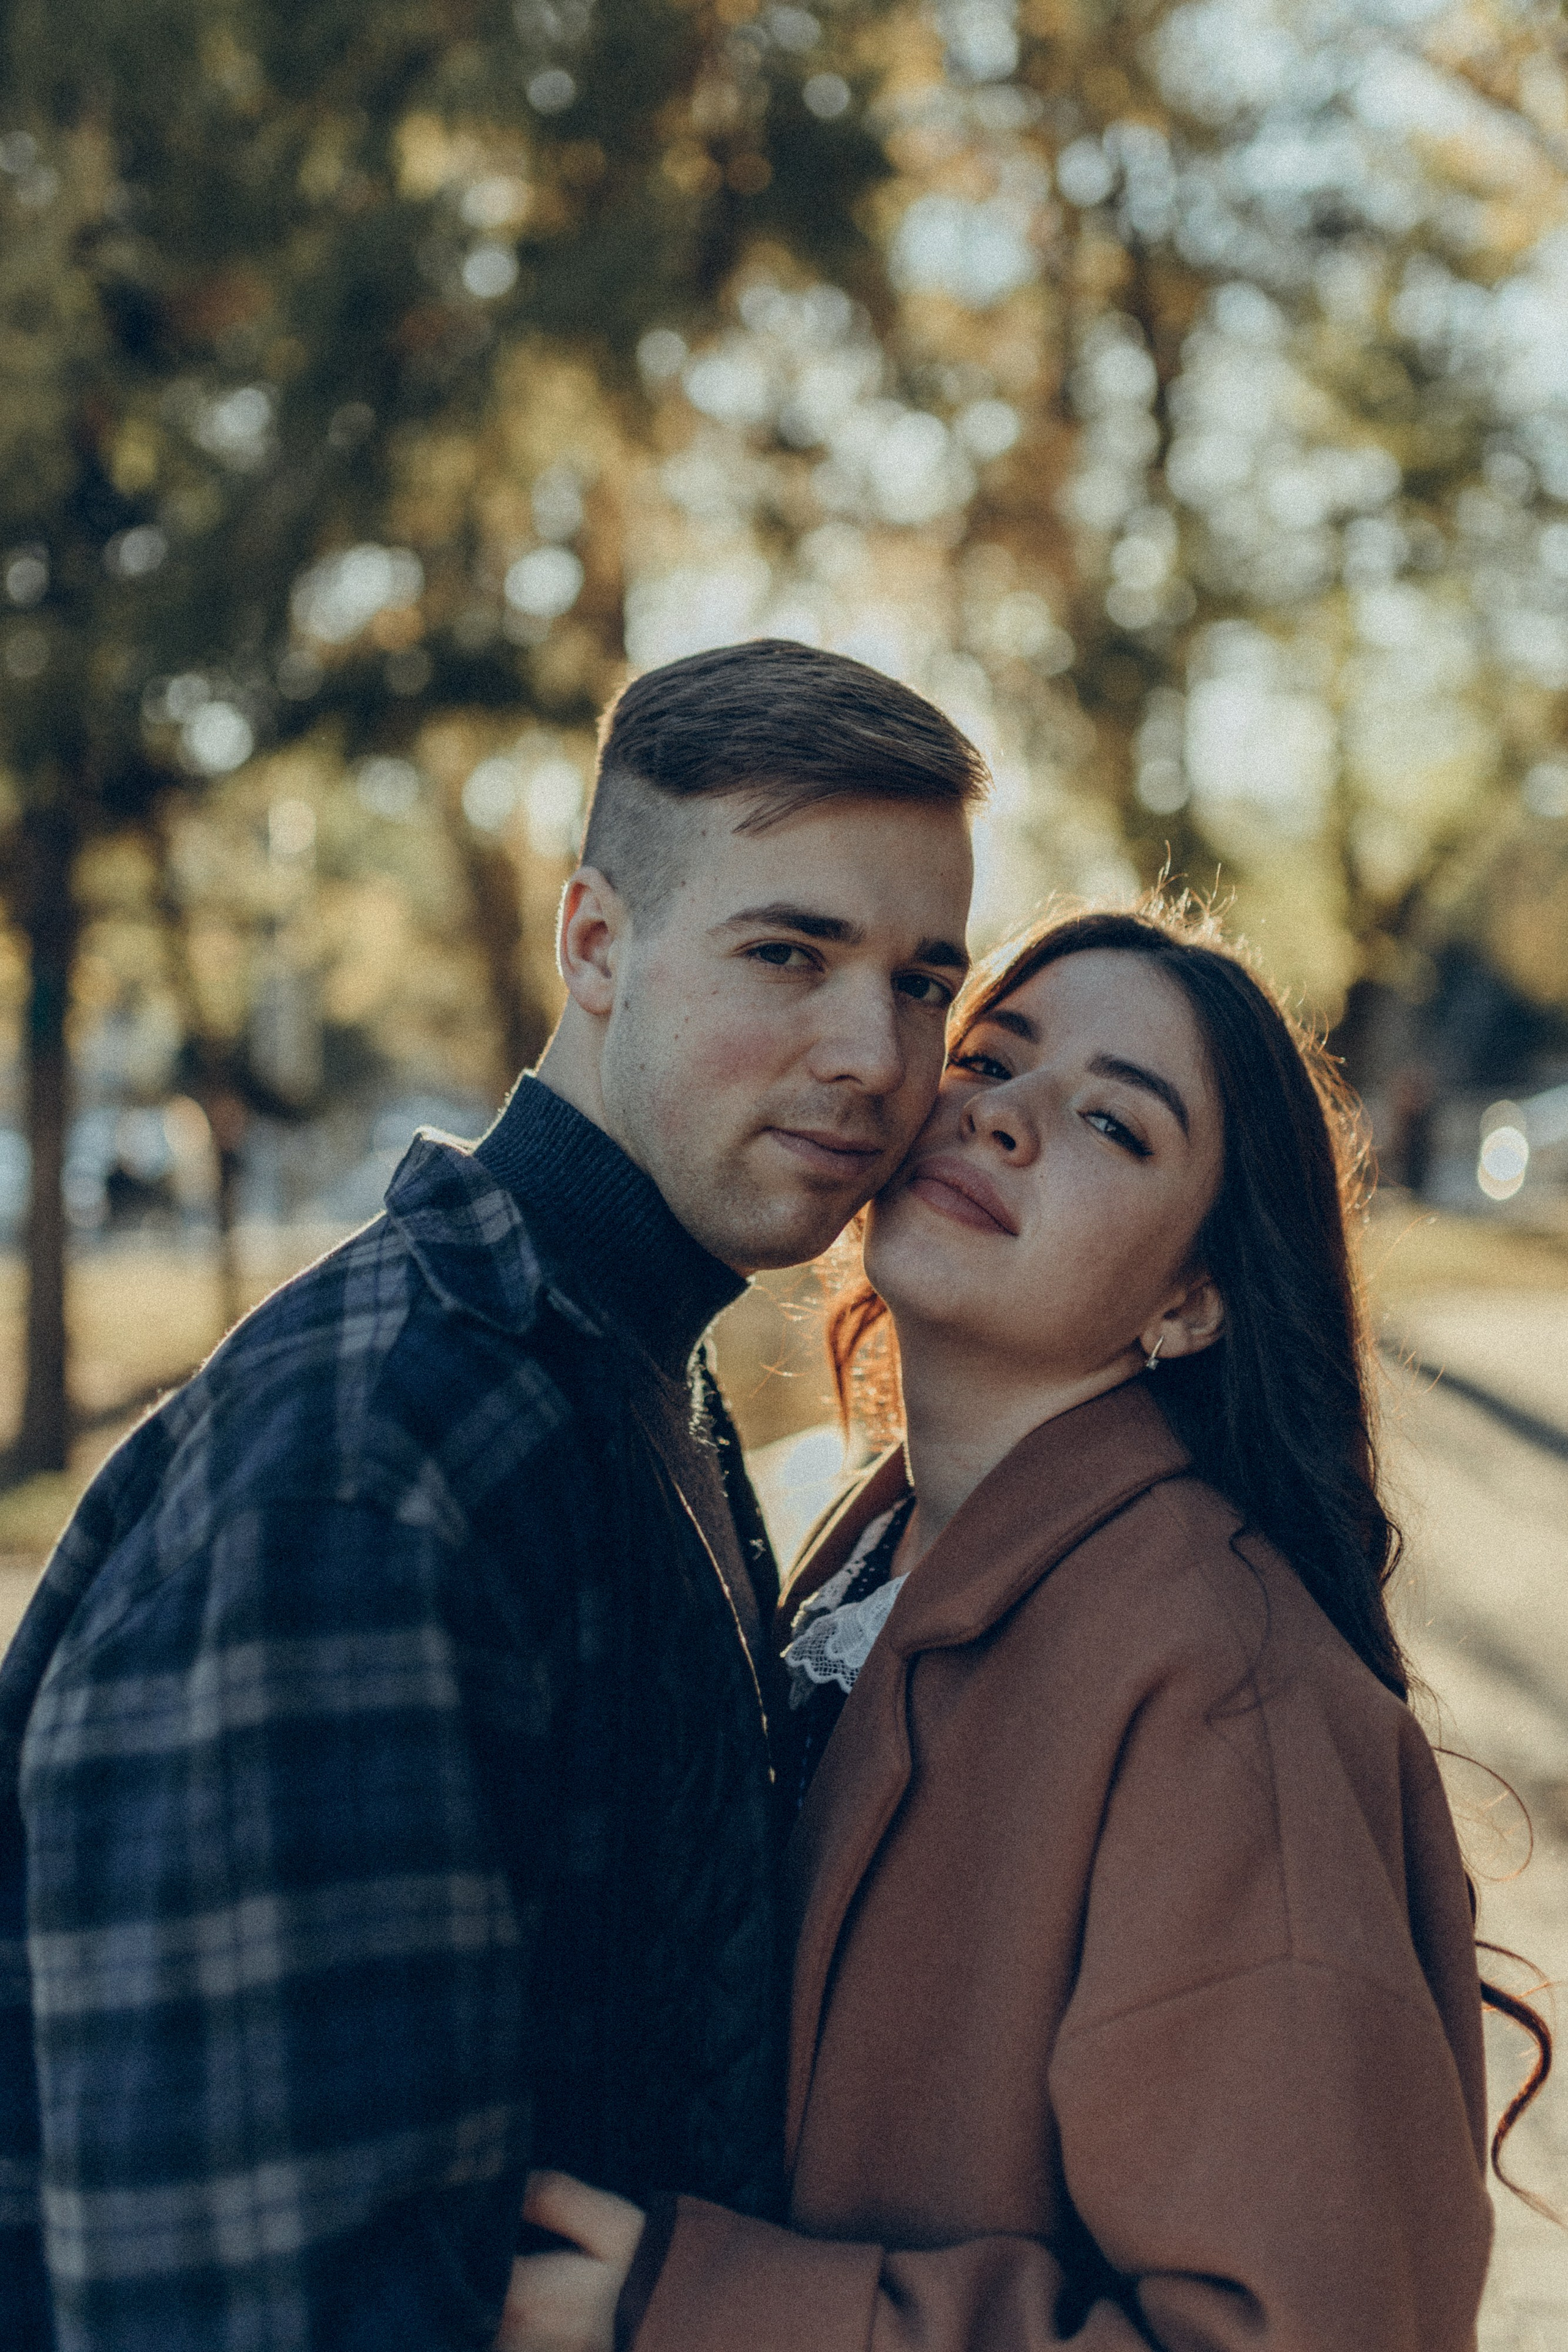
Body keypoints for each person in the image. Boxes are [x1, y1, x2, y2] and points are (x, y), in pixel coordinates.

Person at [0, 638, 983, 2351]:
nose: (875, 1055)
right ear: (597, 942)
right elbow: (260, 2302)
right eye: (790, 953)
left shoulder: (618, 1366)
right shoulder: (370, 1469)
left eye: (920, 980)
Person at [501, 902, 1553, 2352]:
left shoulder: (1220, 1692)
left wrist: (696, 2313)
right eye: (988, 1062)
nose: (1002, 1121)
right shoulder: (872, 1563)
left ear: (1191, 1300)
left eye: (1115, 1127)